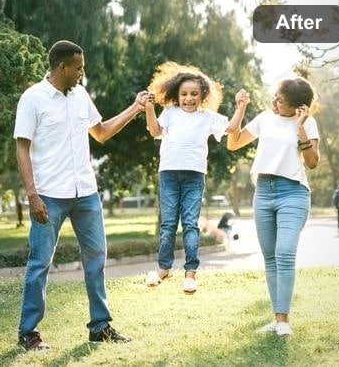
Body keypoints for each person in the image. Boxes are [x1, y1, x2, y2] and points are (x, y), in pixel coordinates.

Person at [14, 40, 148, 350]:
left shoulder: (80, 95)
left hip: (86, 192)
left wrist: (135, 108)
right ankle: (28, 332)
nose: (82, 73)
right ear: (62, 67)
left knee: (96, 258)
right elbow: (22, 147)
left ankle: (100, 327)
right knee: (40, 262)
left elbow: (101, 132)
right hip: (49, 194)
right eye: (78, 67)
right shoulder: (33, 98)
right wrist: (32, 195)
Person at [142, 62, 249, 294]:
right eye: (184, 94)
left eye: (194, 94)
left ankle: (190, 273)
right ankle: (163, 269)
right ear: (176, 95)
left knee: (190, 223)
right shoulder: (170, 112)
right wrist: (149, 108)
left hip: (194, 176)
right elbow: (155, 131)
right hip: (169, 174)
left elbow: (232, 128)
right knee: (168, 224)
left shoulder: (207, 116)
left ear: (202, 96)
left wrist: (241, 106)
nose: (188, 98)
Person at [227, 77, 320, 337]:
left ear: (298, 107)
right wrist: (241, 108)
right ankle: (277, 319)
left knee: (284, 253)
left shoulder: (308, 123)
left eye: (280, 100)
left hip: (293, 192)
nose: (274, 102)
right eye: (275, 96)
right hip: (263, 192)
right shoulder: (265, 118)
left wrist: (300, 128)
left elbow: (313, 162)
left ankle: (283, 321)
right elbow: (233, 143)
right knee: (270, 258)